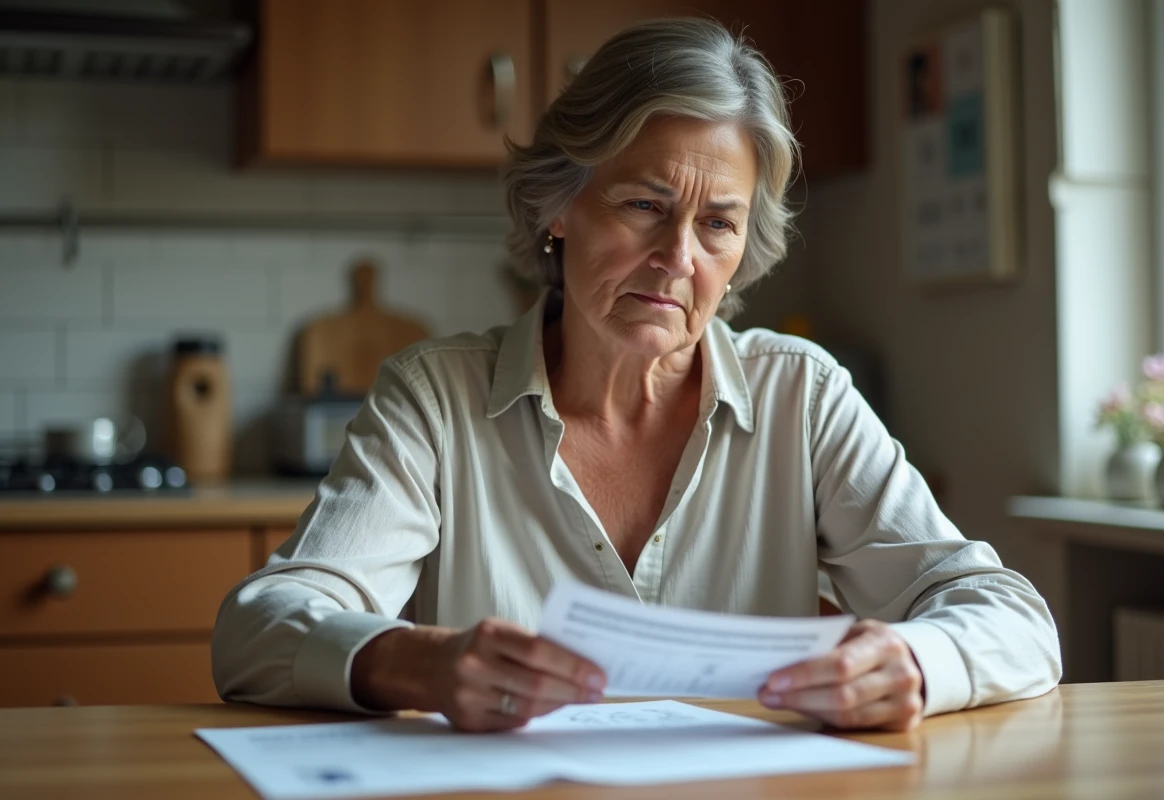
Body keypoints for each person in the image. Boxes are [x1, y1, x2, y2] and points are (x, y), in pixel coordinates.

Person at [212, 18, 1061, 734]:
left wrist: (917, 659)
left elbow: (1013, 618)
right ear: (559, 206)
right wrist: (419, 663)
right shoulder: (435, 398)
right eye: (645, 205)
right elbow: (256, 630)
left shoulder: (802, 396)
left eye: (718, 224)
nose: (678, 258)